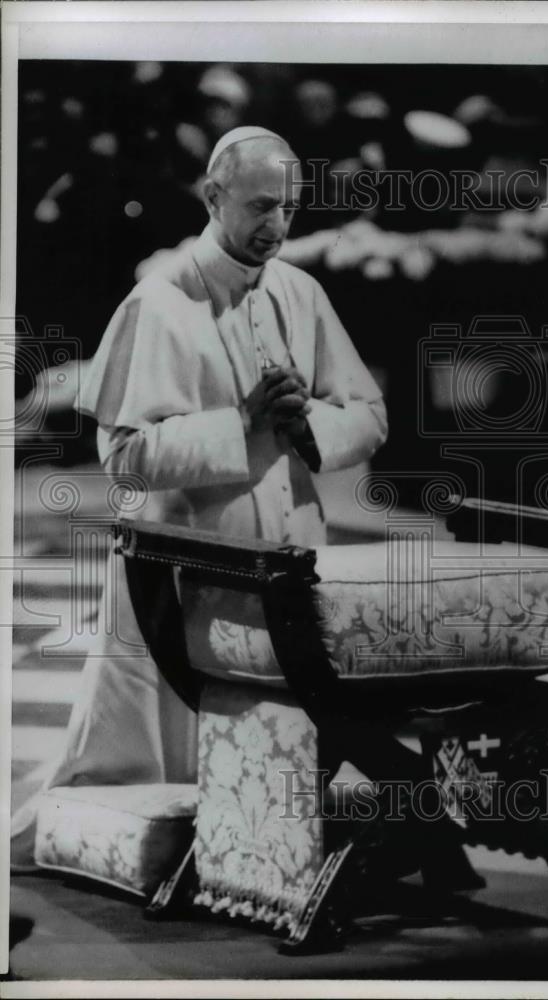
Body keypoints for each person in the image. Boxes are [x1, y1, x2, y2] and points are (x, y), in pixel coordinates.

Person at [11, 125, 388, 865]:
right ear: (213, 197)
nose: (276, 228)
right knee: (151, 759)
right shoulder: (157, 303)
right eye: (259, 207)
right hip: (176, 572)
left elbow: (370, 416)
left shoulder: (302, 293)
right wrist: (243, 423)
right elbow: (122, 458)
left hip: (287, 558)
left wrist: (304, 422)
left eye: (290, 209)